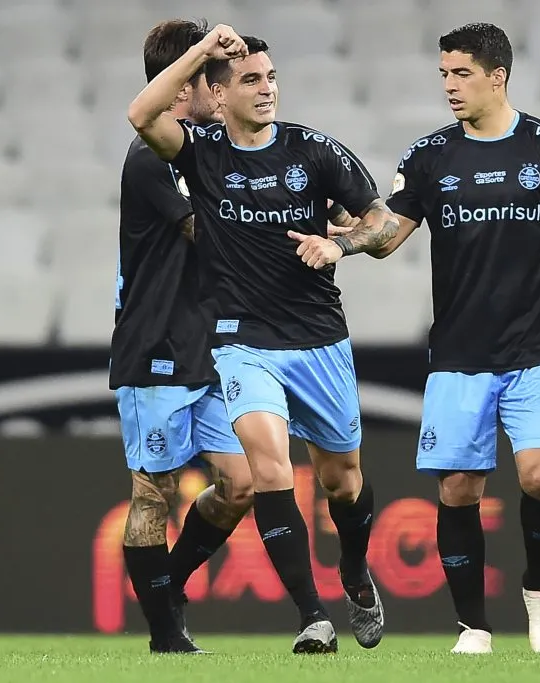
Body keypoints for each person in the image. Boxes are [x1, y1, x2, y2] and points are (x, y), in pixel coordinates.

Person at [127, 25, 400, 654]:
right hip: (242, 340)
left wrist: (340, 243)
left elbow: (381, 222)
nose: (268, 89)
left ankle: (355, 570)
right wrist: (201, 52)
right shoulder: (199, 151)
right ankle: (313, 617)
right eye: (251, 79)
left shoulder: (314, 150)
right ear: (218, 96)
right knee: (270, 470)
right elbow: (141, 113)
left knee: (343, 482)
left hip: (319, 337)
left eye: (271, 77)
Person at [363, 23, 540, 654]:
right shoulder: (429, 156)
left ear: (496, 75)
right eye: (444, 74)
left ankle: (539, 592)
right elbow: (388, 235)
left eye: (461, 74)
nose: (449, 87)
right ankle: (474, 627)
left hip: (535, 345)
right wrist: (340, 241)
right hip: (458, 352)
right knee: (458, 489)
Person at [112, 19, 254, 655]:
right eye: (211, 79)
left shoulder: (205, 150)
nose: (220, 91)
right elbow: (211, 232)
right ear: (184, 84)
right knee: (153, 493)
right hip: (158, 345)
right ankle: (167, 637)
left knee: (243, 481)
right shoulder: (152, 158)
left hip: (209, 346)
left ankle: (171, 583)